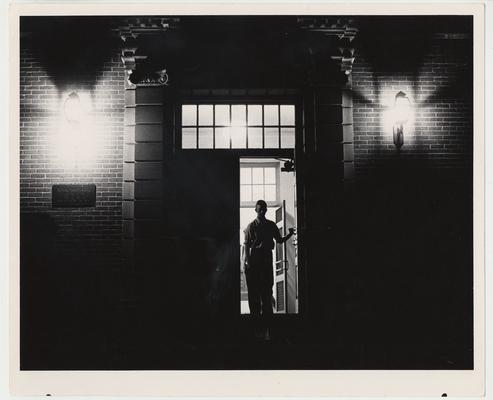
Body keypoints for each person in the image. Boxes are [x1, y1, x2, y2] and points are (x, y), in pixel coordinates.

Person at [243, 199, 295, 340]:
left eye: (264, 209)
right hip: (254, 263)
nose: (262, 211)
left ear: (266, 210)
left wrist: (290, 234)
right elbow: (246, 246)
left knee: (266, 292)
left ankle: (268, 328)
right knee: (254, 295)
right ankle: (256, 328)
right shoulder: (250, 227)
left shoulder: (271, 225)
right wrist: (247, 262)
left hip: (266, 262)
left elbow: (279, 240)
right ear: (256, 210)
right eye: (260, 209)